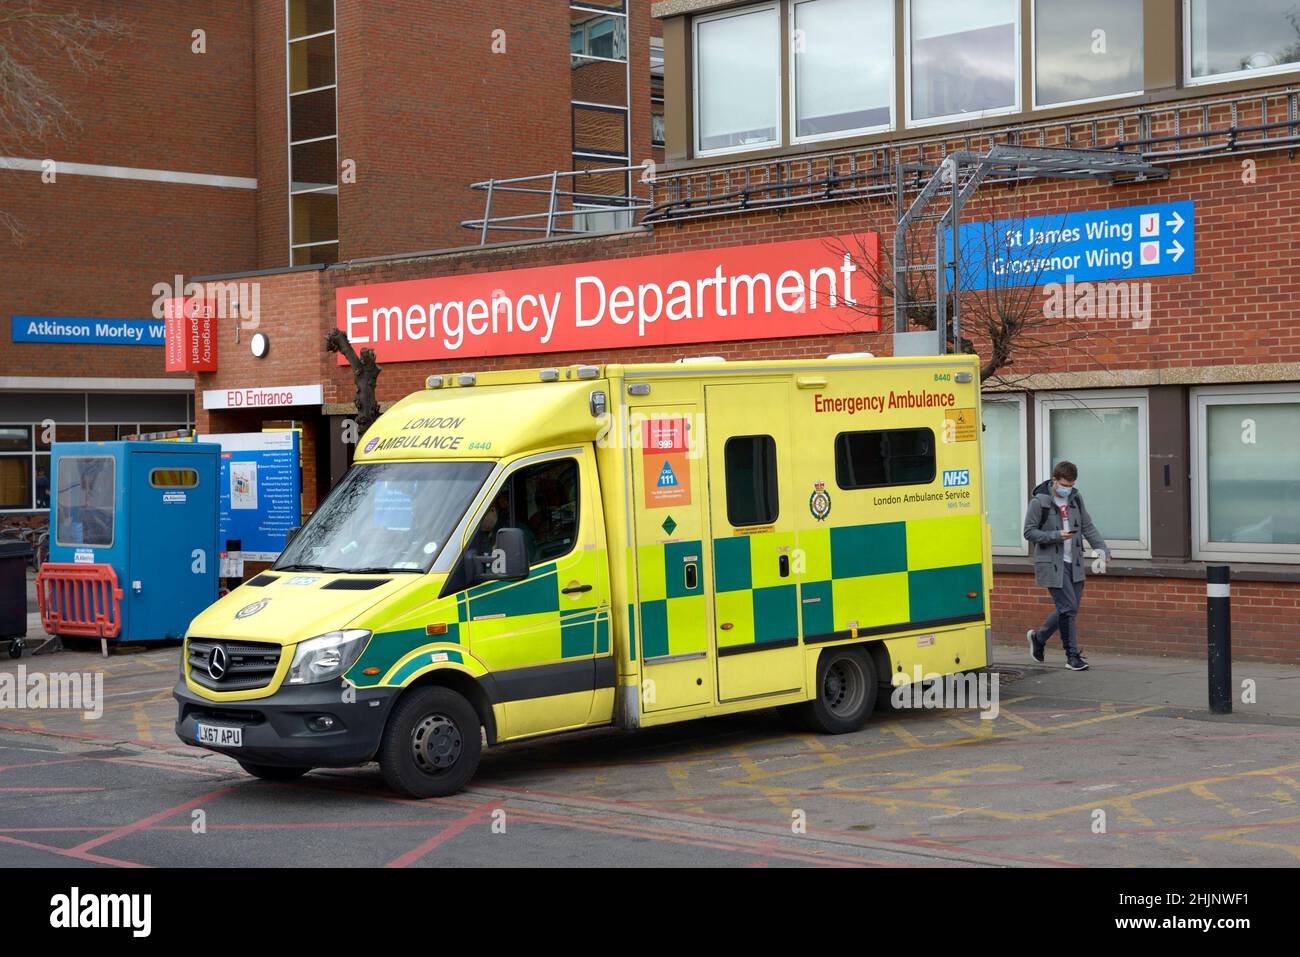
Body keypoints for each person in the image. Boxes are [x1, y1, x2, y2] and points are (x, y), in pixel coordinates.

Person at [1023, 460, 1110, 672]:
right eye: (1064, 485)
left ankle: (1039, 637)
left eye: (1071, 485)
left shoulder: (1075, 499)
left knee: (1069, 608)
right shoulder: (1039, 502)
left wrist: (1101, 548)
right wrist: (1055, 535)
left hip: (1075, 562)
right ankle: (1072, 656)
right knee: (1069, 608)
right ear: (1054, 480)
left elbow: (1087, 526)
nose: (1067, 489)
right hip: (1053, 564)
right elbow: (1029, 532)